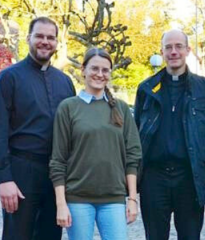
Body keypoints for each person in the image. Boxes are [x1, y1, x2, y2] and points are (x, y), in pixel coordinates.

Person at [134, 29, 205, 240]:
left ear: (188, 50)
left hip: (190, 176)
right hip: (154, 178)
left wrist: (196, 152)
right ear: (162, 52)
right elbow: (138, 130)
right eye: (168, 47)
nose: (173, 52)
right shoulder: (146, 89)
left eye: (178, 46)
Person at [49, 47, 141, 240]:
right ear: (83, 70)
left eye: (105, 70)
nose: (100, 74)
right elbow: (58, 159)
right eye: (94, 69)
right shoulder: (69, 108)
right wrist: (61, 203)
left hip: (114, 199)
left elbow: (132, 156)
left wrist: (132, 198)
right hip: (78, 199)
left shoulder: (121, 109)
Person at [0, 17, 75, 240]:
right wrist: (4, 179)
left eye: (50, 37)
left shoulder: (66, 82)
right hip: (22, 170)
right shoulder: (8, 78)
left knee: (50, 234)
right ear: (28, 38)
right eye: (39, 36)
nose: (45, 41)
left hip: (56, 175)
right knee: (17, 236)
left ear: (56, 43)